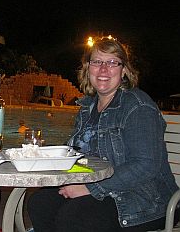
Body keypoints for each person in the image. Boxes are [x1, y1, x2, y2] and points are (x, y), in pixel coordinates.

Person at [27, 38, 179, 231]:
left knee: (73, 216)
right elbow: (79, 153)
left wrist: (90, 188)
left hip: (145, 197)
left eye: (112, 62)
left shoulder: (138, 106)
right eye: (97, 62)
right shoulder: (87, 107)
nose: (104, 69)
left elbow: (146, 165)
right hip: (104, 187)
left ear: (124, 70)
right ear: (88, 68)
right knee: (40, 203)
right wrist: (48, 157)